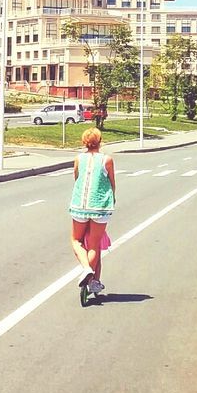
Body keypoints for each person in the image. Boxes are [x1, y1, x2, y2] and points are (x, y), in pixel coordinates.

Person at [69, 127, 116, 296]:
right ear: (100, 141)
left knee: (76, 241)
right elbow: (112, 182)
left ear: (84, 142)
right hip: (100, 207)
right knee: (94, 245)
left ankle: (87, 270)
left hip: (80, 206)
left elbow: (76, 178)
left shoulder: (78, 159)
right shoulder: (107, 160)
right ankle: (90, 274)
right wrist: (113, 199)